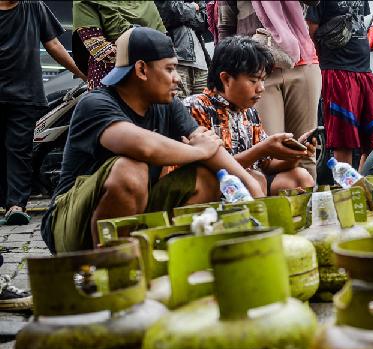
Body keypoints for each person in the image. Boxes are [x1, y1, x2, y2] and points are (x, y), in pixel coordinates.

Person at [41, 27, 263, 254]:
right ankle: (114, 266)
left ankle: (166, 256)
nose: (177, 78)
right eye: (170, 69)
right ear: (141, 69)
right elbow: (144, 147)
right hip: (69, 224)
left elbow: (209, 146)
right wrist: (200, 151)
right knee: (130, 169)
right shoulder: (95, 103)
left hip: (136, 207)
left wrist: (251, 185)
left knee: (207, 177)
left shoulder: (168, 104)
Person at [184, 37, 315, 196]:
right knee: (254, 178)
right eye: (253, 80)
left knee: (299, 177)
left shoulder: (249, 112)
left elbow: (267, 164)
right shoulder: (196, 107)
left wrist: (296, 154)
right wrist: (260, 150)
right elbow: (213, 168)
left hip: (252, 185)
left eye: (262, 80)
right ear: (225, 78)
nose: (261, 88)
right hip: (212, 188)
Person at [0, 0, 86, 227]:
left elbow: (54, 44)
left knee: (19, 150)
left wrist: (82, 73)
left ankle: (16, 206)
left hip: (25, 94)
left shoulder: (34, 7)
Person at [219, 1, 322, 181]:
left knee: (305, 152)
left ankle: (311, 206)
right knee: (271, 153)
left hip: (302, 61)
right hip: (254, 70)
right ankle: (273, 206)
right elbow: (226, 27)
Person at [306, 1, 373, 167]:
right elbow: (311, 31)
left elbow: (361, 20)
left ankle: (362, 185)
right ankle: (344, 190)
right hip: (337, 70)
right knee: (344, 141)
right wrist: (322, 61)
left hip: (364, 69)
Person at [72, 1, 166, 90]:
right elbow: (98, 47)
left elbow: (163, 42)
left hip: (144, 77)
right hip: (114, 78)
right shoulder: (86, 3)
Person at [155, 1, 211, 98]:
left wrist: (186, 12)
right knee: (180, 108)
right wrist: (193, 8)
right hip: (177, 62)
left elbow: (204, 21)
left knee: (204, 109)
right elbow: (172, 13)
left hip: (201, 64)